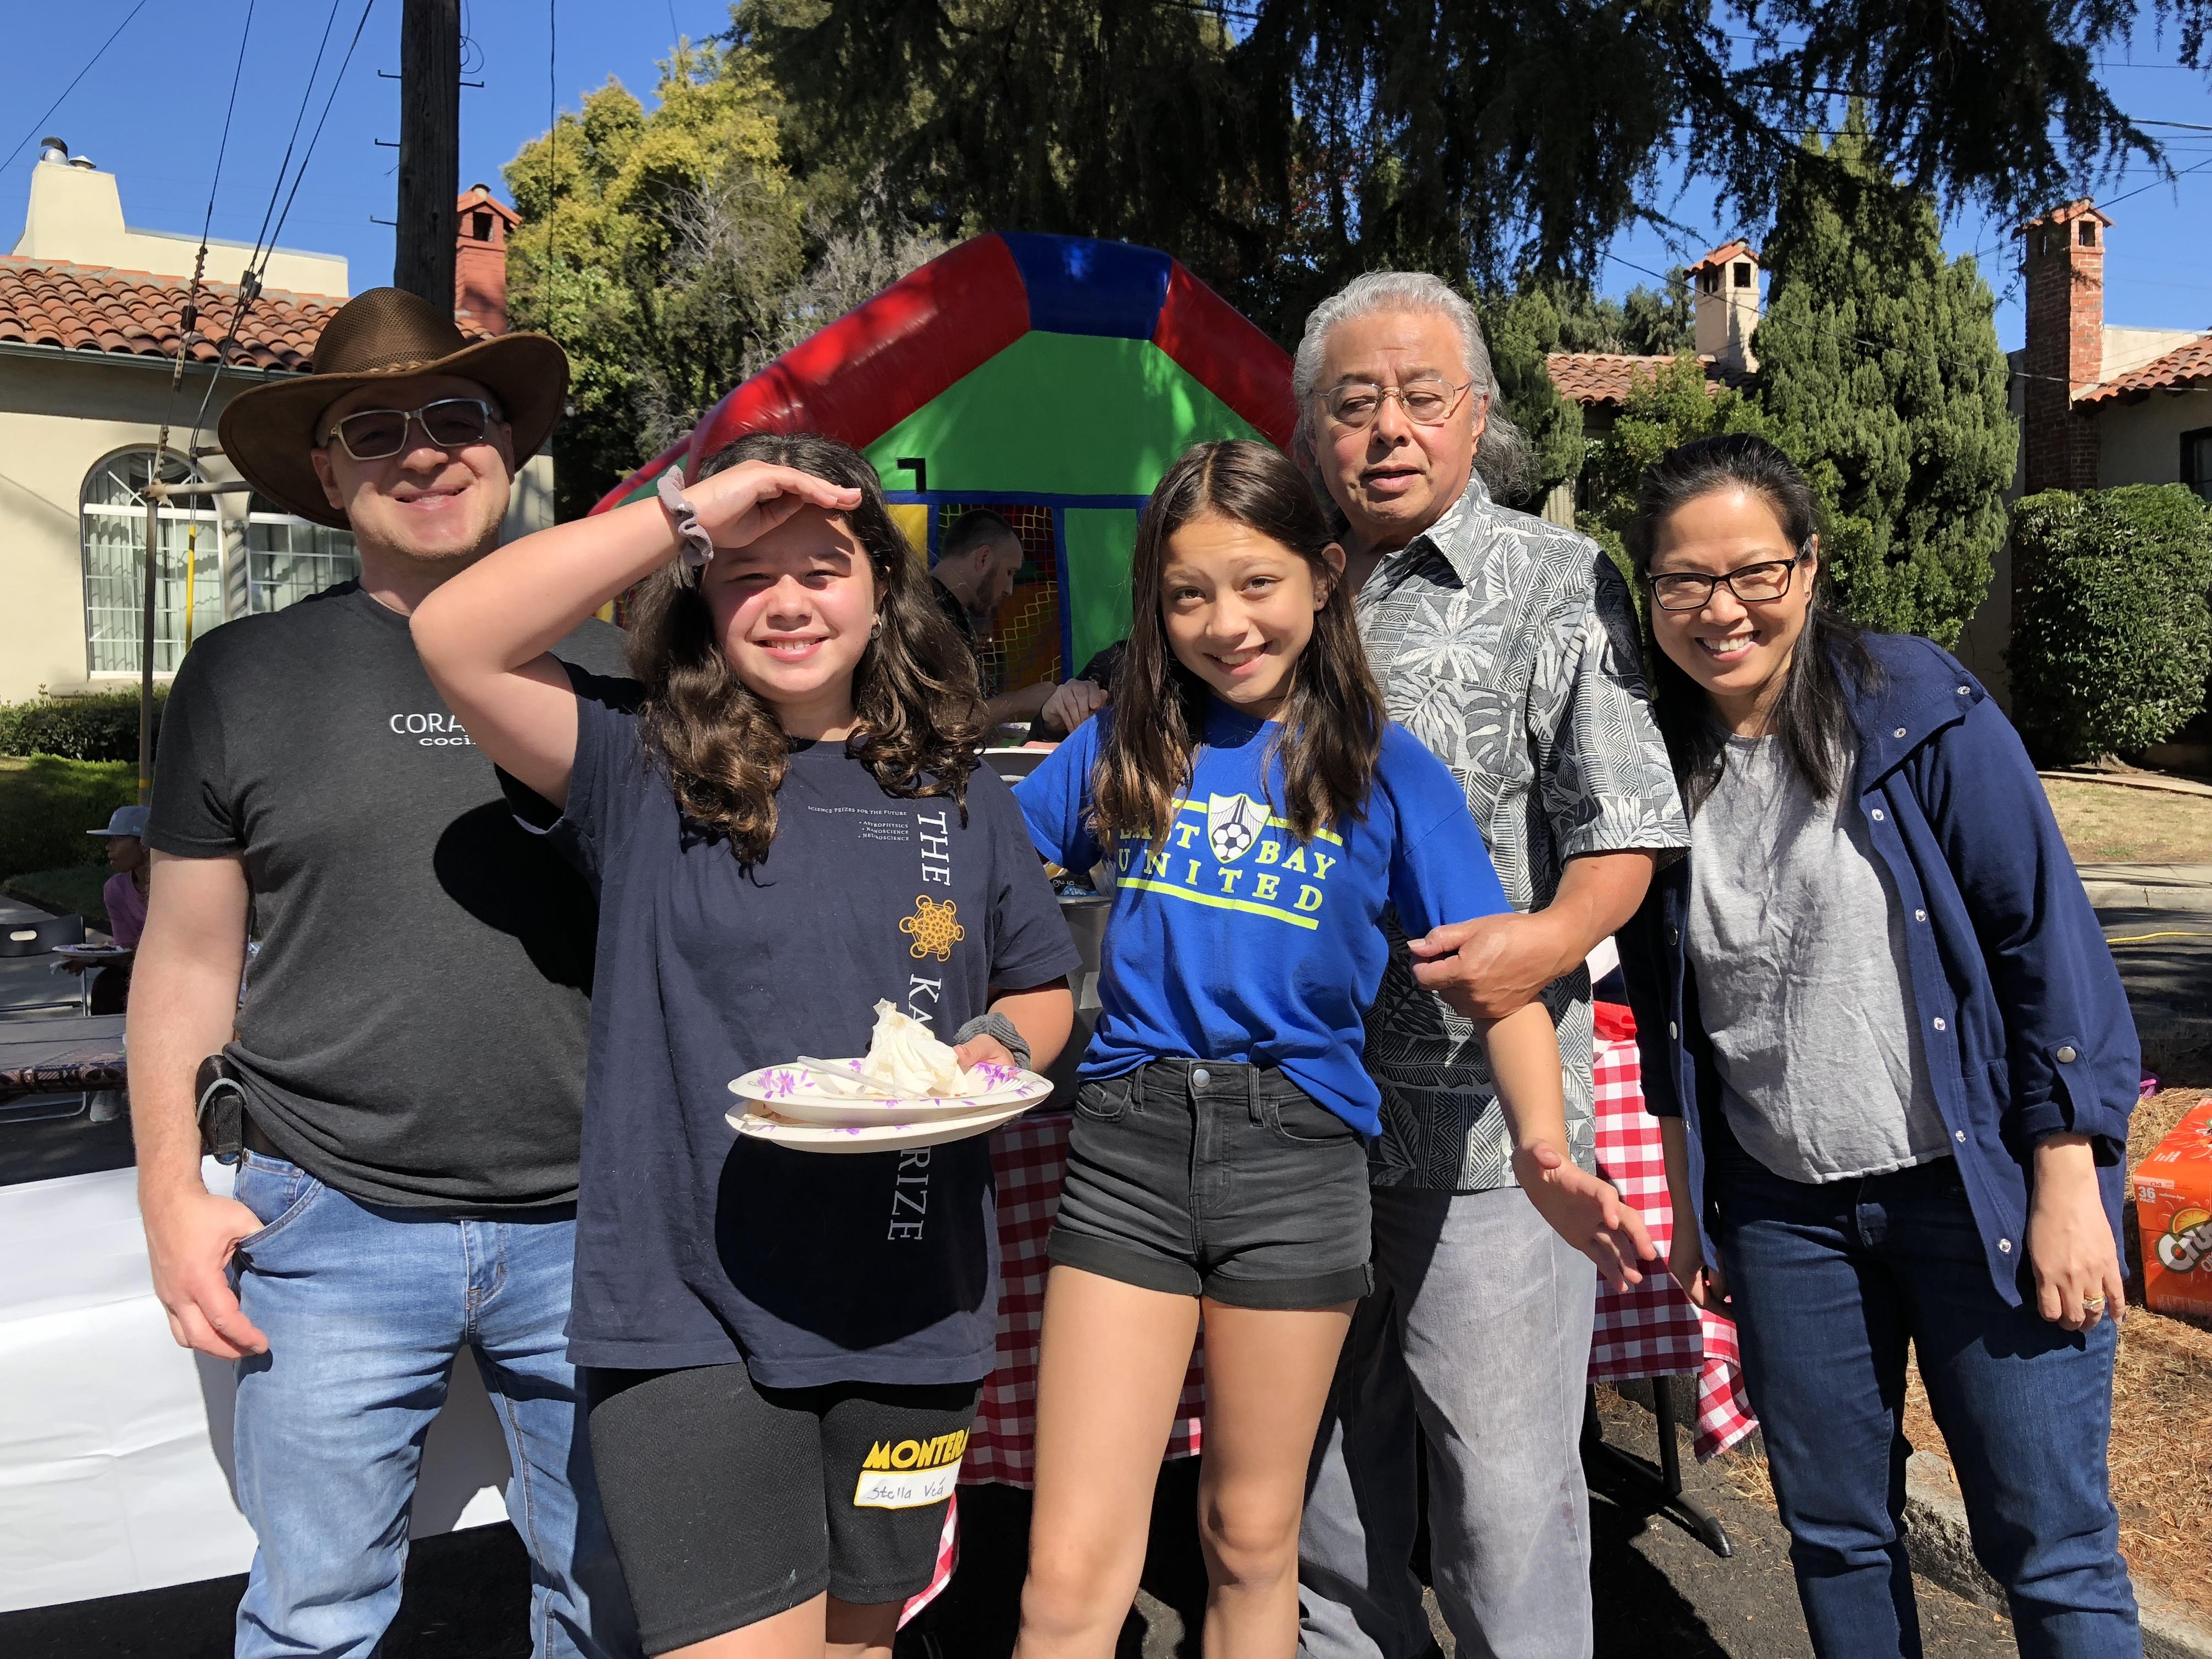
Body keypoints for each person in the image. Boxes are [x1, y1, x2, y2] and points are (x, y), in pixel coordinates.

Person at [410, 429, 1082, 1659]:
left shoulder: (956, 786)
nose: (786, 602)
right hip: (683, 1311)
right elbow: (456, 635)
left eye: (822, 567)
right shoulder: (637, 760)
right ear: (700, 593)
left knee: (860, 1647)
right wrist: (695, 508)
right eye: (746, 572)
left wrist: (991, 1044)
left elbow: (1042, 980)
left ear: (883, 590)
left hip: (910, 1308)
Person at [1007, 439, 1654, 1659]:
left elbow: (1499, 983)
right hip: (1127, 1155)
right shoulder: (1123, 747)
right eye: (1188, 593)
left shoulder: (1385, 770)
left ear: (1325, 579)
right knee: (1065, 1578)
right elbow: (994, 875)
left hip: (1300, 1166)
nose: (1224, 622)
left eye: (1256, 584)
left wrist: (1545, 1150)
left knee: (1252, 1543)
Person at [133, 286, 635, 1658]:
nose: (422, 451)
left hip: (594, 1219)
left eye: (457, 415)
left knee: (606, 1608)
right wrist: (172, 1192)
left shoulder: (617, 666)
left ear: (508, 442)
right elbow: (185, 961)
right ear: (328, 470)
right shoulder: (243, 676)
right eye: (374, 428)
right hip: (328, 1212)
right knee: (313, 1620)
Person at [1615, 434, 2144, 1657]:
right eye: (1683, 581)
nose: (1721, 609)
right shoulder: (1654, 766)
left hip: (1978, 1197)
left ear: (1809, 566)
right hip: (1785, 1215)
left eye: (1754, 571)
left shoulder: (1917, 708)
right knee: (1839, 1536)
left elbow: (2046, 949)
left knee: (2051, 1550)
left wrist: (2071, 1178)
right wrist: (1699, 1207)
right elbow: (1671, 1010)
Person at [1289, 272, 1691, 1659]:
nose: (1388, 429)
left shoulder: (1558, 579)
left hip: (1490, 1136)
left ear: (1476, 416)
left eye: (1420, 397)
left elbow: (1625, 824)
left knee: (1506, 1515)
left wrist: (1548, 941)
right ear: (1312, 433)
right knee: (1328, 1503)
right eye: (1354, 404)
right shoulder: (1280, 583)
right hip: (1306, 1135)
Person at [931, 507, 1056, 727]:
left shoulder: (942, 608)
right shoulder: (926, 616)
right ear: (984, 558)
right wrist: (1022, 701)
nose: (1009, 590)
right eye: (1010, 572)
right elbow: (943, 720)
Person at [78, 803, 150, 1013]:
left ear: (145, 844)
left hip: (181, 969)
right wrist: (94, 958)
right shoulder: (115, 889)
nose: (109, 847)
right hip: (141, 969)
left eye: (117, 840)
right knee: (108, 985)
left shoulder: (175, 886)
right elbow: (127, 949)